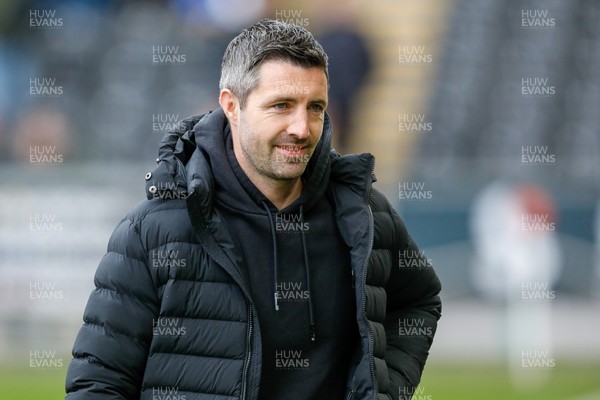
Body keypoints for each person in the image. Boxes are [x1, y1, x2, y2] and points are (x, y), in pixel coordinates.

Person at [65, 19, 441, 400]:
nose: (302, 127)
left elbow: (418, 300)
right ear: (232, 106)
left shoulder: (363, 215)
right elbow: (98, 384)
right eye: (281, 106)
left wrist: (383, 391)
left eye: (315, 107)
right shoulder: (153, 231)